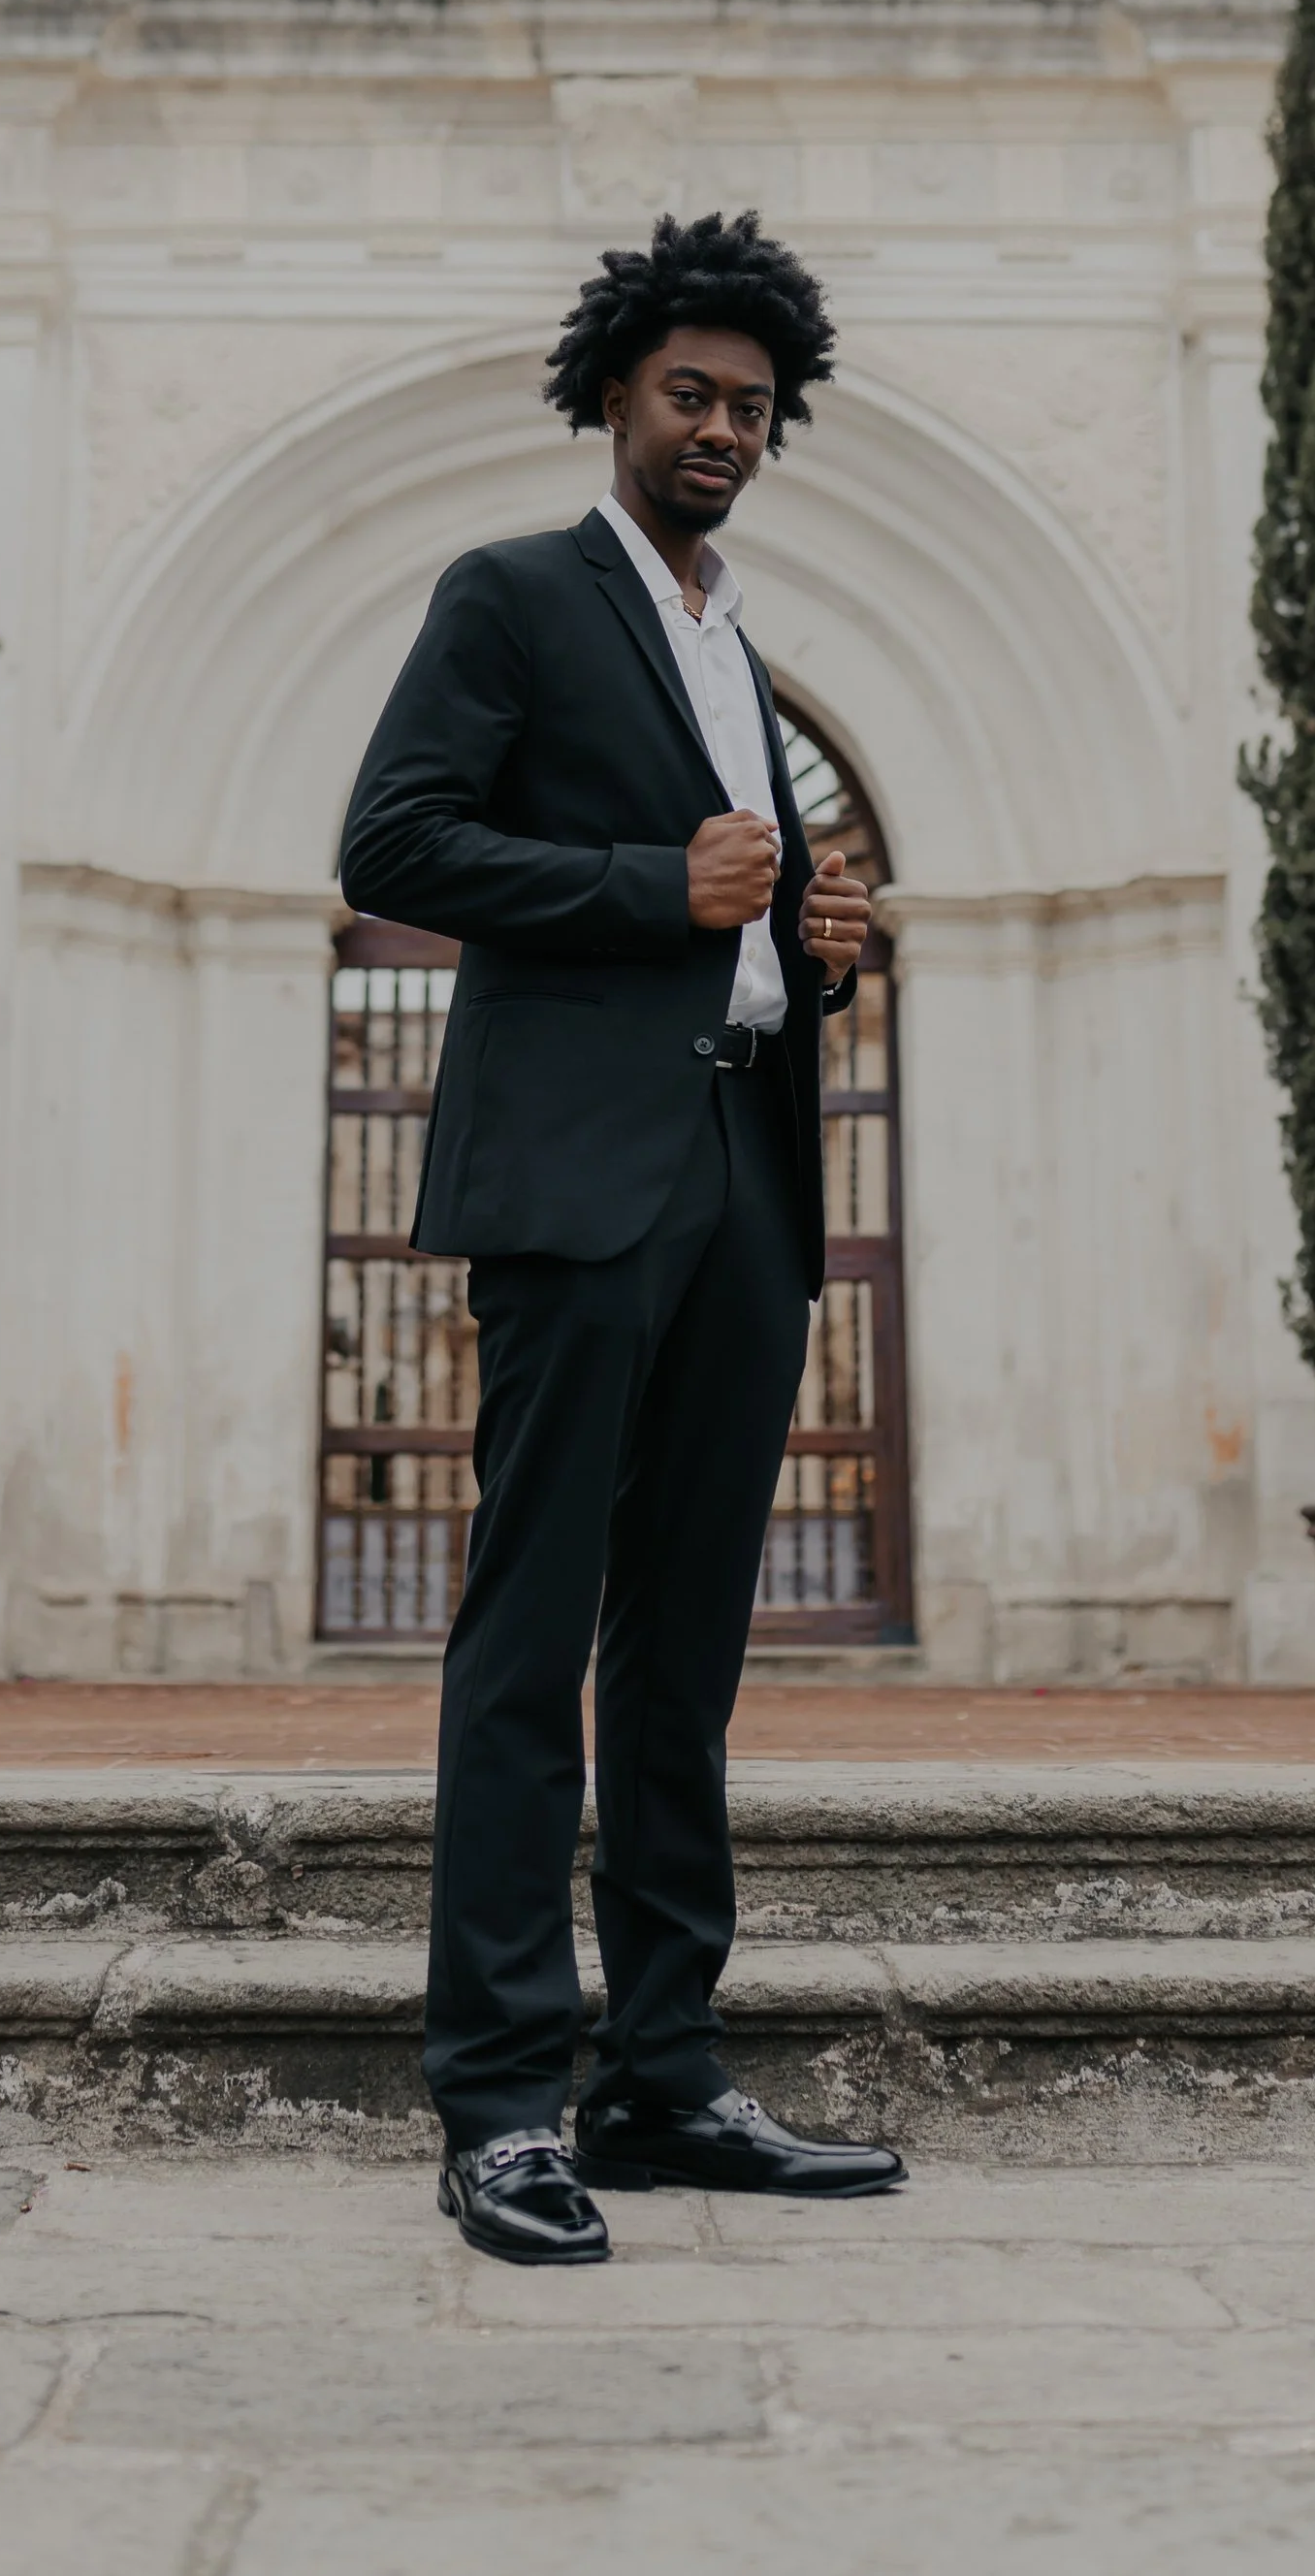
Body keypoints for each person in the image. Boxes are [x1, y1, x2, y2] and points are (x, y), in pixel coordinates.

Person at [340, 209, 906, 2266]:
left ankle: (661, 2075)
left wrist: (805, 946)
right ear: (611, 395)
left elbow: (729, 928)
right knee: (527, 1641)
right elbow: (393, 842)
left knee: (681, 1655)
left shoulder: (736, 645)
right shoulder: (508, 597)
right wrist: (651, 886)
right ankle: (500, 2101)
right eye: (688, 394)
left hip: (747, 1180)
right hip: (578, 1183)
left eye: (752, 407)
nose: (720, 430)